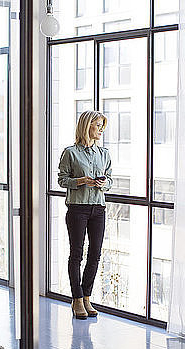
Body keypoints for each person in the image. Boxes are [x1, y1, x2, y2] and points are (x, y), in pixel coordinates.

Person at [57, 110, 113, 319]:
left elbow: (110, 180)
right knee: (76, 254)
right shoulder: (70, 153)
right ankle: (77, 299)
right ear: (87, 126)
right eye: (98, 125)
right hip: (77, 208)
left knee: (95, 254)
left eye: (102, 126)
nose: (101, 130)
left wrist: (103, 183)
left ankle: (87, 297)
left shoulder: (104, 153)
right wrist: (81, 181)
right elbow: (62, 180)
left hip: (98, 208)